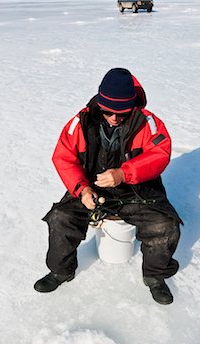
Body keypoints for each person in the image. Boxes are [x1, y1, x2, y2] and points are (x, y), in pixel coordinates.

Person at [34, 68, 182, 305]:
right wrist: (82, 189)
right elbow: (64, 157)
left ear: (132, 106)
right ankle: (60, 271)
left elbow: (160, 153)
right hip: (91, 189)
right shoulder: (79, 122)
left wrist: (124, 173)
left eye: (121, 113)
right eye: (108, 111)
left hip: (136, 191)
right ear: (100, 103)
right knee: (61, 217)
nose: (114, 118)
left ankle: (155, 276)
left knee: (164, 225)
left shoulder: (149, 123)